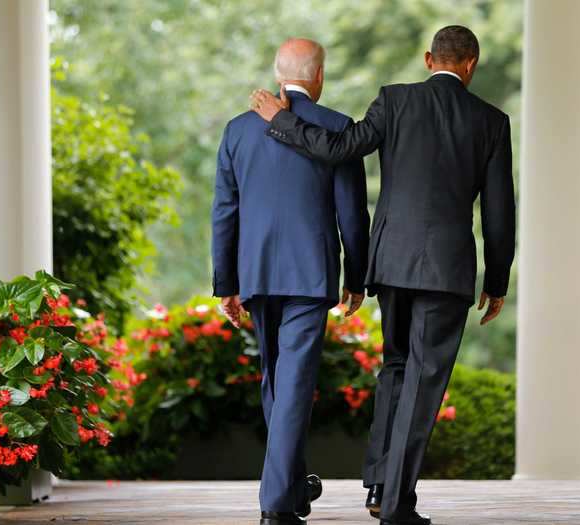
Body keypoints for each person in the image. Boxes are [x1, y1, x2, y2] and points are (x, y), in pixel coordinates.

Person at [249, 25, 516, 525]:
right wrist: (497, 280)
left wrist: (283, 124)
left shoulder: (394, 101)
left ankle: (378, 484)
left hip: (391, 262)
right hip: (446, 269)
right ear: (471, 64)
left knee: (395, 368)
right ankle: (395, 504)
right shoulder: (491, 121)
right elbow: (500, 211)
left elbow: (340, 149)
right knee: (424, 380)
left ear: (427, 58)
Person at [211, 38, 370, 525]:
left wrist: (226, 283)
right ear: (318, 76)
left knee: (277, 381)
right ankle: (277, 505)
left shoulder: (238, 131)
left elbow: (225, 212)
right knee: (293, 384)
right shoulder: (338, 128)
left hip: (255, 273)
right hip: (311, 273)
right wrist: (356, 275)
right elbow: (352, 214)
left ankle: (294, 486)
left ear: (278, 75)